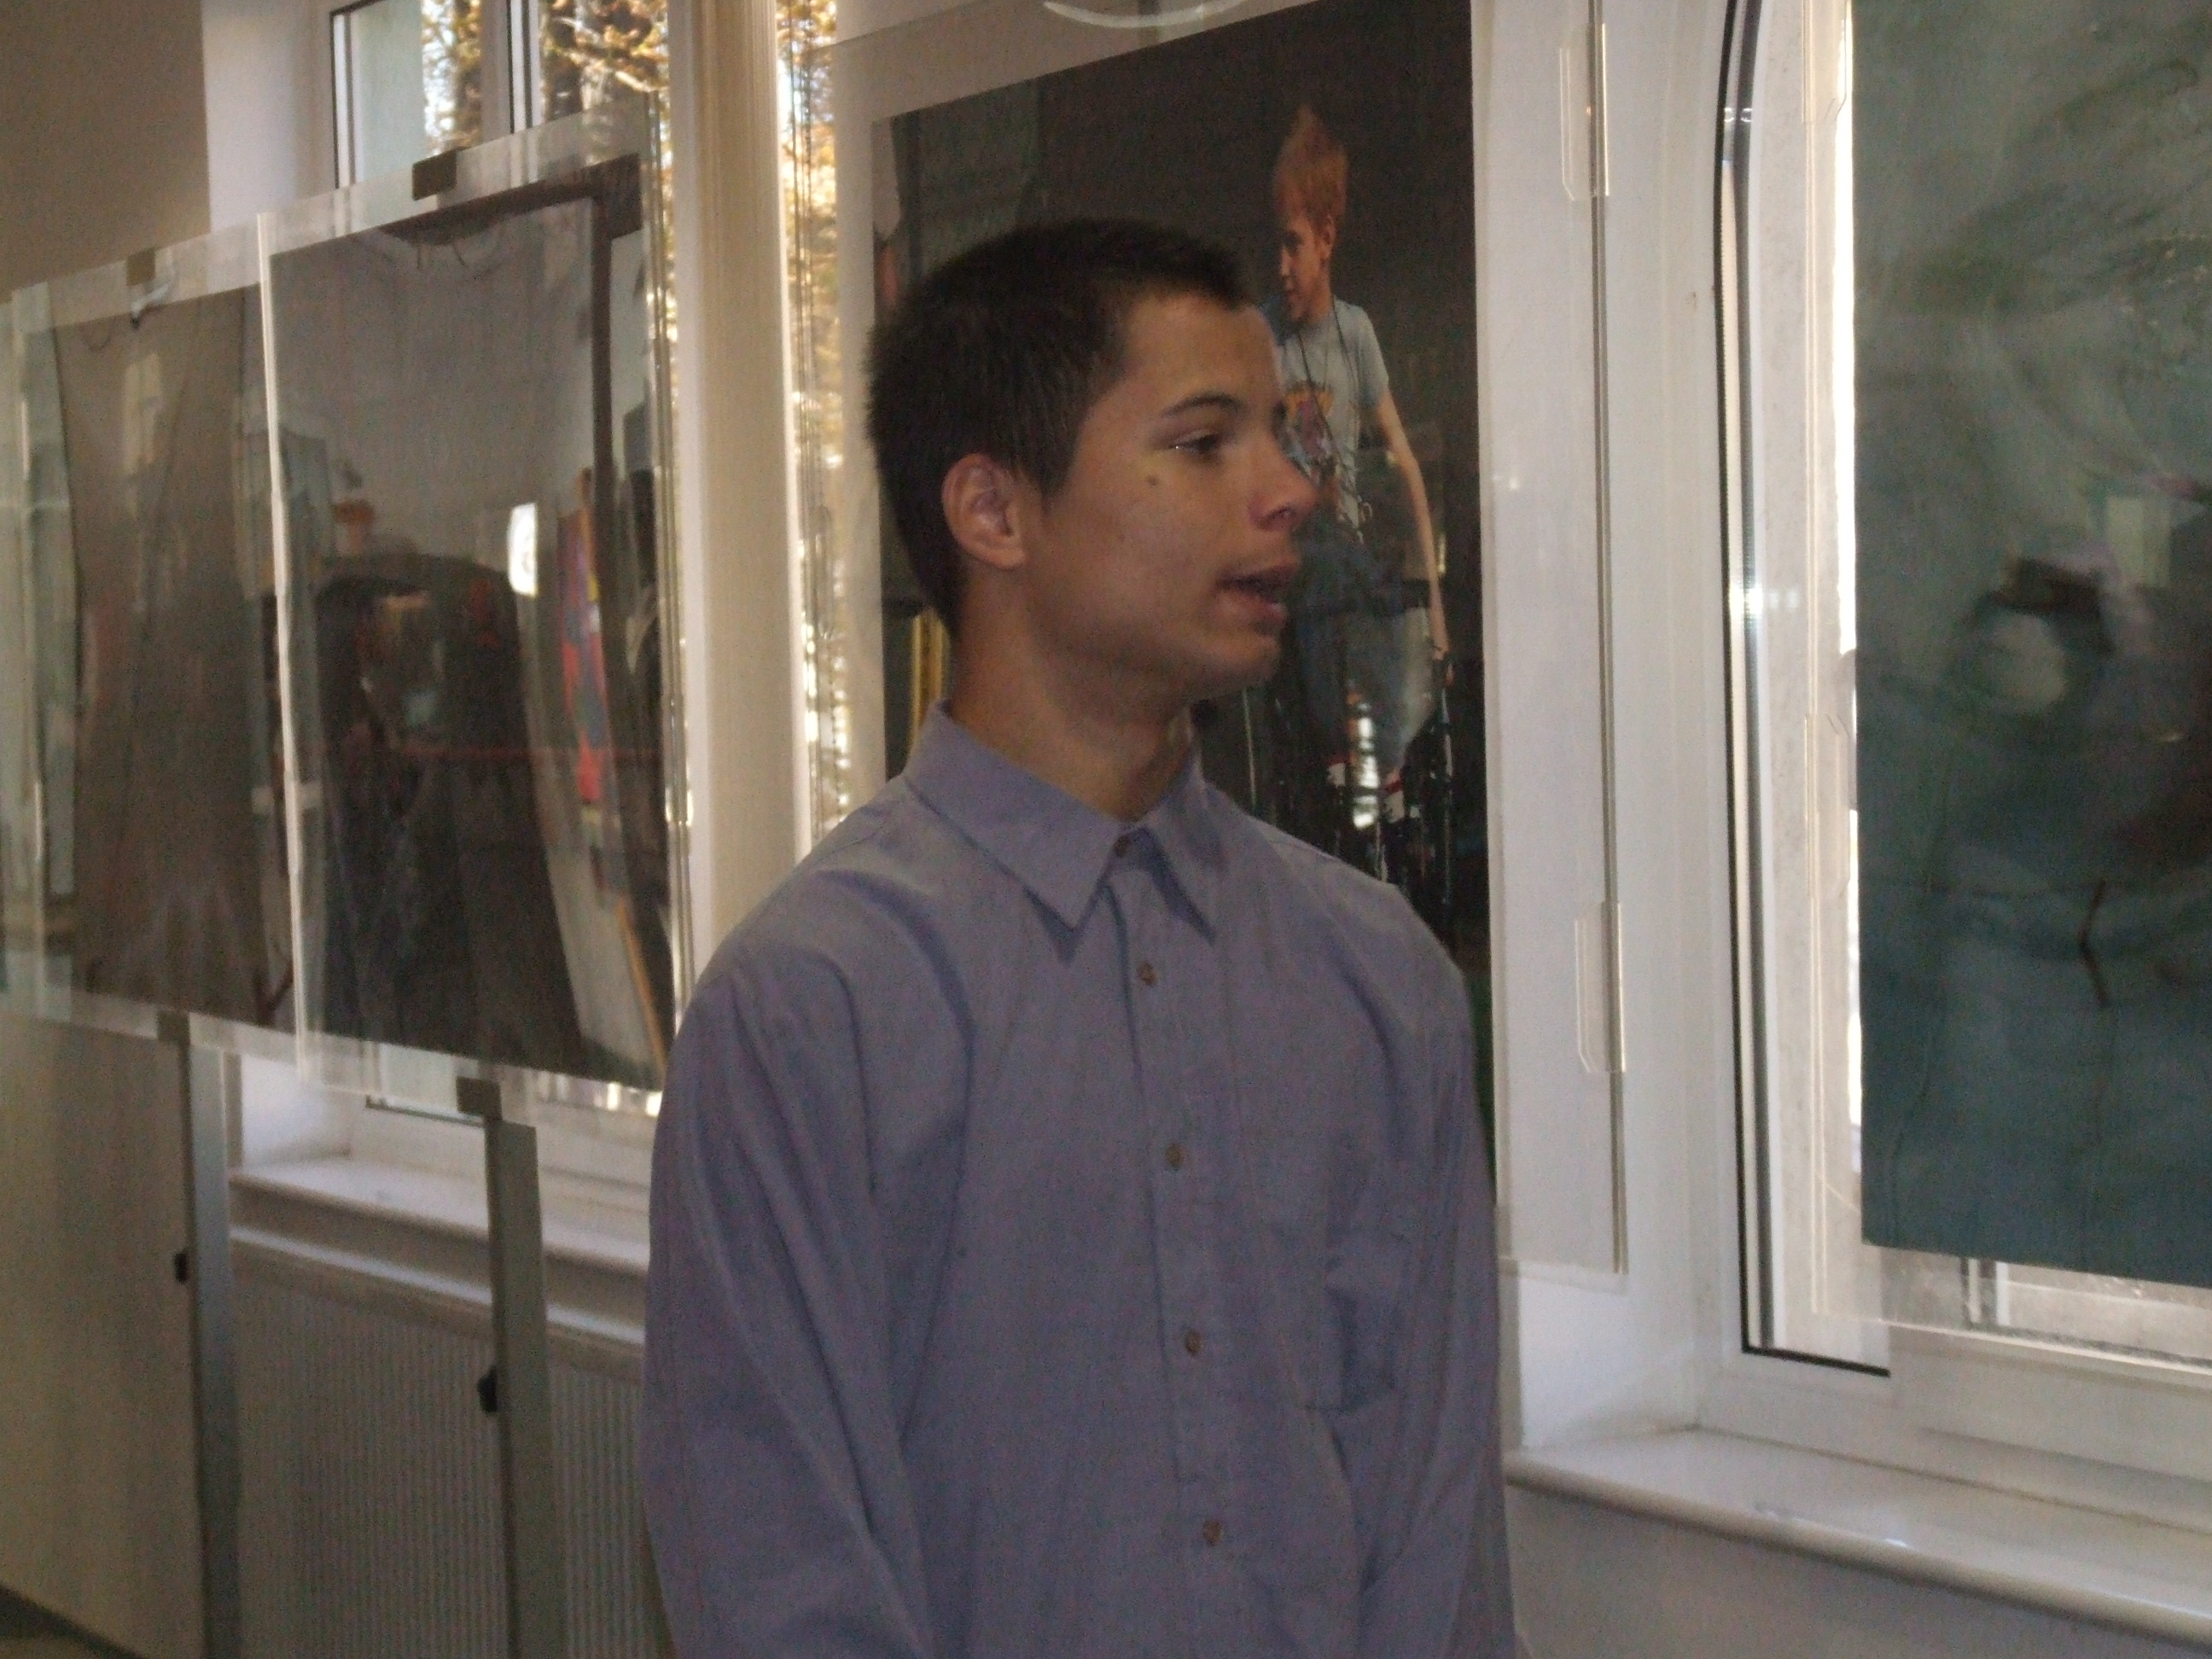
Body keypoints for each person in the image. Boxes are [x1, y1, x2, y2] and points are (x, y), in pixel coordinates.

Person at [640, 218, 1512, 1658]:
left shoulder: (1375, 981)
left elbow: (1434, 1554)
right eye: (1205, 442)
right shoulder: (812, 1007)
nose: (1291, 492)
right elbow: (776, 1573)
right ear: (993, 510)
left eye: (1279, 438)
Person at [1268, 106, 1448, 807]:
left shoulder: (1356, 334)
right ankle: (1352, 759)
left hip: (1346, 558)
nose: (1282, 268)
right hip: (1293, 554)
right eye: (1277, 247)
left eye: (1293, 246)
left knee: (1375, 585)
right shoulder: (1265, 341)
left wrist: (1432, 600)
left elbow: (1400, 455)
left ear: (1326, 239)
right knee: (1329, 566)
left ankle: (1381, 764)